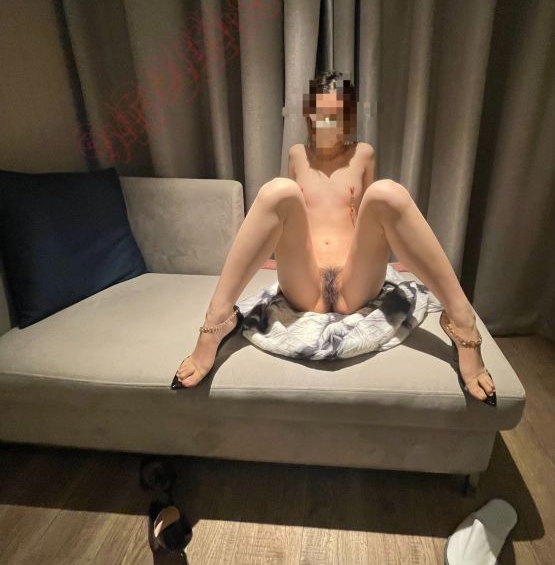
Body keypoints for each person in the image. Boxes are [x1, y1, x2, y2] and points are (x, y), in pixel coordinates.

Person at [172, 70, 496, 404]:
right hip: (306, 287)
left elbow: (372, 219)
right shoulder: (297, 155)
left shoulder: (363, 154)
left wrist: (377, 239)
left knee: (386, 192)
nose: (329, 124)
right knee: (279, 190)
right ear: (309, 115)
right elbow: (290, 222)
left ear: (349, 118)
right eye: (321, 115)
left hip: (354, 286)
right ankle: (216, 321)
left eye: (338, 117)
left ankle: (462, 322)